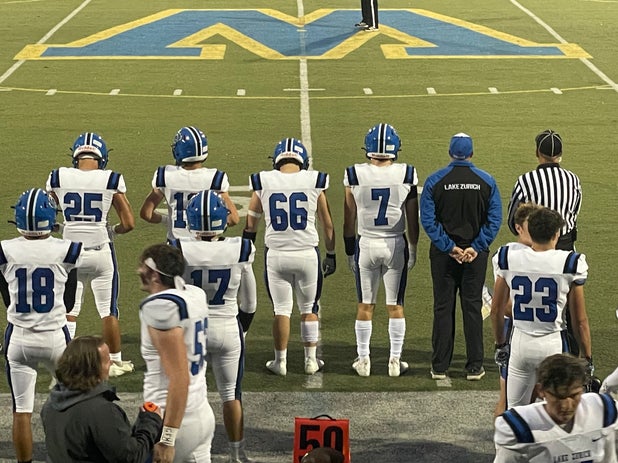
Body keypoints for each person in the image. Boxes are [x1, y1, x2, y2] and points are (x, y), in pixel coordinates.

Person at [170, 190, 257, 463]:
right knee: (231, 395)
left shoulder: (179, 248)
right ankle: (236, 453)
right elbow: (250, 301)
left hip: (192, 331)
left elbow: (172, 296)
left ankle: (179, 448)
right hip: (227, 327)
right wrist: (241, 328)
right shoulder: (239, 248)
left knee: (184, 392)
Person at [1, 188, 82, 463]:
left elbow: (5, 296)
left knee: (21, 411)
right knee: (73, 406)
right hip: (55, 339)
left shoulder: (5, 250)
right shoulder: (67, 250)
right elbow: (69, 303)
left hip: (18, 339)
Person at [243, 137, 336, 376]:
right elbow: (327, 224)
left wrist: (247, 250)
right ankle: (310, 361)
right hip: (307, 253)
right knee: (309, 308)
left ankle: (280, 362)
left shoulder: (263, 180)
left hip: (276, 255)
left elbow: (251, 222)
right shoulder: (314, 181)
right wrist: (332, 253)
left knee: (281, 309)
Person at [46, 131, 135, 377]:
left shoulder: (58, 176)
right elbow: (128, 223)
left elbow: (46, 215)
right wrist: (112, 230)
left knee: (68, 309)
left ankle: (63, 359)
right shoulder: (111, 179)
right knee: (108, 310)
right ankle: (115, 361)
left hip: (69, 253)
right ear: (101, 157)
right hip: (100, 251)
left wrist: (62, 227)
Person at [491, 207, 592, 409]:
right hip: (553, 342)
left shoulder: (508, 256)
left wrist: (501, 345)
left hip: (520, 342)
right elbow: (579, 321)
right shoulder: (570, 262)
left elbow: (496, 310)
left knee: (515, 413)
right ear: (557, 234)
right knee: (559, 411)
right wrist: (587, 356)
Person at [420, 132, 502, 381]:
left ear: (450, 153)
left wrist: (449, 247)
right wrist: (476, 246)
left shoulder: (435, 181)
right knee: (473, 308)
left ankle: (440, 365)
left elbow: (429, 220)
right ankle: (475, 366)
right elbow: (494, 219)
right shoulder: (486, 181)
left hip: (445, 256)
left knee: (443, 308)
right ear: (471, 154)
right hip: (474, 256)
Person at [343, 123, 419, 377]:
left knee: (365, 305)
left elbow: (349, 217)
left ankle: (364, 360)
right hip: (395, 242)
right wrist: (414, 246)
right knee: (395, 305)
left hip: (366, 243)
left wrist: (348, 249)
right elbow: (412, 216)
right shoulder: (406, 172)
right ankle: (394, 361)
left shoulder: (355, 173)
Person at [507, 129, 582, 354]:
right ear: (560, 153)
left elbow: (514, 221)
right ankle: (573, 358)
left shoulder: (526, 180)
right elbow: (574, 214)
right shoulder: (573, 179)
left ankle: (514, 349)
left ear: (537, 152)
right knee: (571, 310)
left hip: (534, 248)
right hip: (565, 247)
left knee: (528, 301)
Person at [139, 243, 215, 463]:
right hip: (201, 410)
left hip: (172, 421)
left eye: (142, 267)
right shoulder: (194, 294)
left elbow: (179, 377)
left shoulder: (161, 307)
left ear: (154, 274)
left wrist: (167, 438)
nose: (138, 272)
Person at [40, 336, 163, 462]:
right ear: (93, 368)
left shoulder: (51, 403)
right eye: (107, 360)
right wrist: (151, 421)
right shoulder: (101, 411)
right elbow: (131, 458)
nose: (111, 364)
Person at [493, 353, 618, 463]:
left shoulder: (604, 410)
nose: (566, 405)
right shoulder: (519, 427)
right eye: (559, 396)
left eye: (574, 395)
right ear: (541, 391)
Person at [140, 126, 239, 240]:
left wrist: (168, 220)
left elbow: (146, 214)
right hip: (205, 245)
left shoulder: (165, 175)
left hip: (176, 247)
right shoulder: (215, 178)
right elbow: (233, 219)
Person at [490, 202, 541, 417]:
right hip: (516, 329)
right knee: (509, 397)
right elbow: (506, 307)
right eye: (532, 225)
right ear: (519, 227)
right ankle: (504, 446)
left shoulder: (545, 252)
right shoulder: (507, 255)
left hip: (537, 330)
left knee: (538, 398)